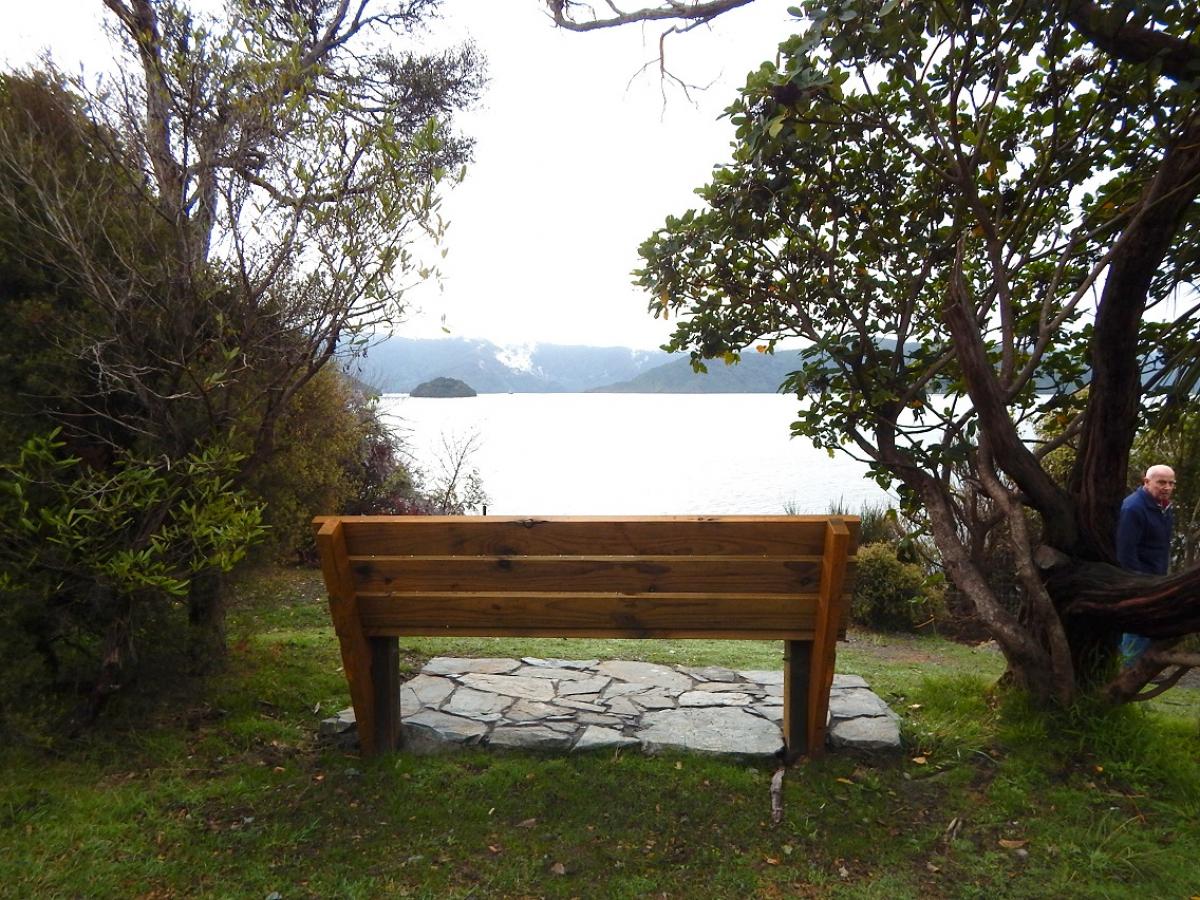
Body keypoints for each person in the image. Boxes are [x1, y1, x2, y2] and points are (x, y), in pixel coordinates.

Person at [1116, 464, 1176, 665]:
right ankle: (1125, 672)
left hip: (1155, 577)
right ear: (1146, 482)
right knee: (1135, 627)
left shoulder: (1165, 507)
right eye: (1161, 482)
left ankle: (1128, 668)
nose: (1166, 487)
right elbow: (1126, 551)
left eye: (1170, 483)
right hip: (1137, 581)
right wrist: (1137, 584)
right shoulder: (1133, 508)